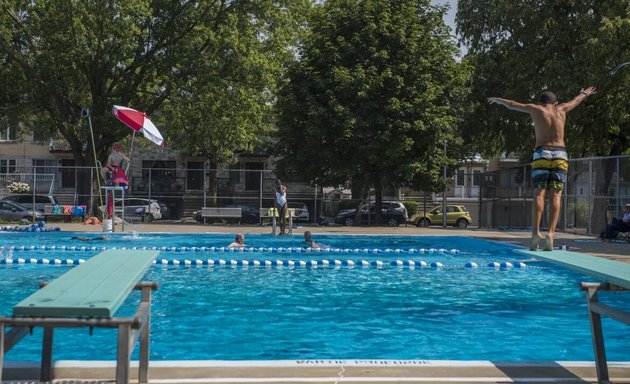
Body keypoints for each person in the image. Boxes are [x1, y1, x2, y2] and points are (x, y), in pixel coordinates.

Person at [488, 86, 596, 251]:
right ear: (556, 103)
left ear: (541, 102)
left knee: (539, 194)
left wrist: (499, 100)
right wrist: (584, 93)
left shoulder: (536, 109)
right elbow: (576, 101)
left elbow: (513, 104)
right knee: (556, 195)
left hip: (542, 153)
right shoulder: (562, 109)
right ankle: (551, 234)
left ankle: (535, 233)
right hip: (560, 154)